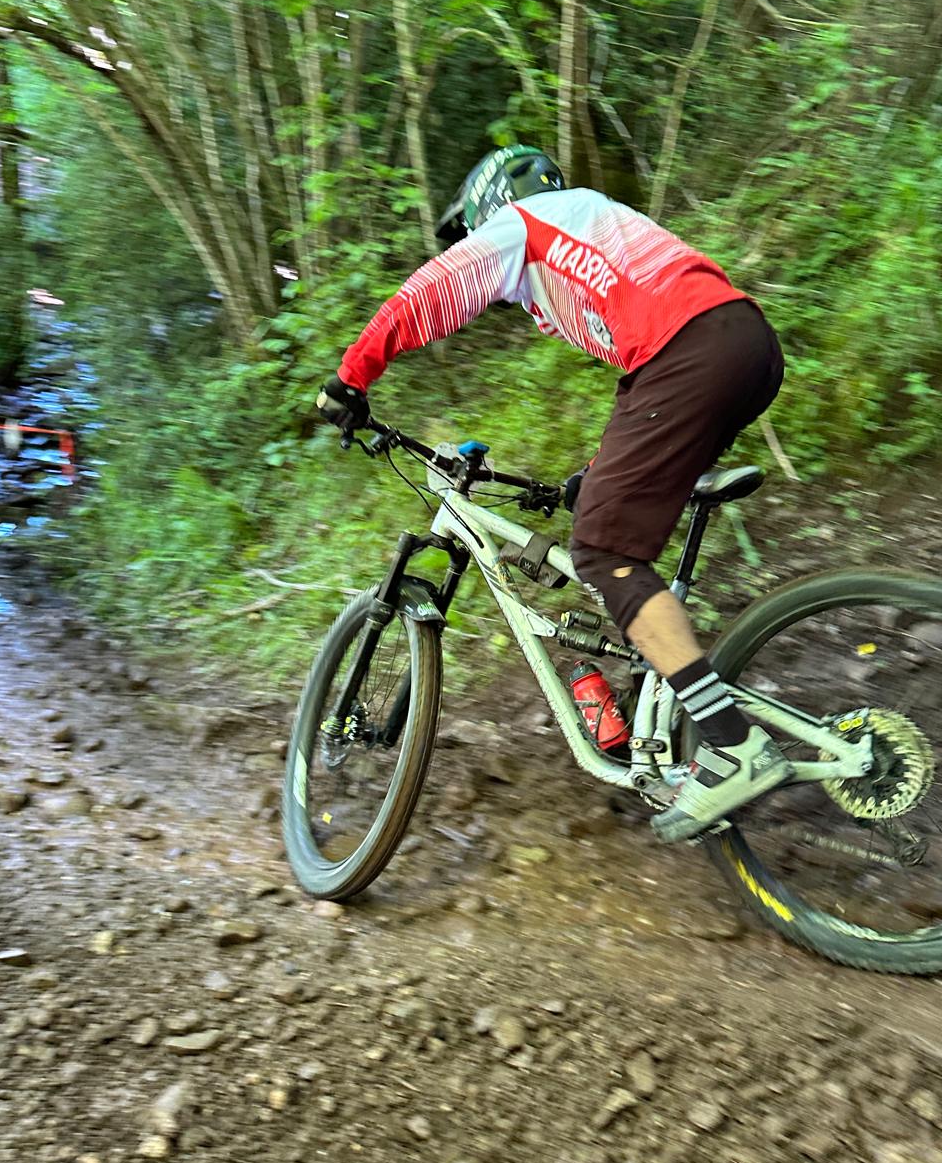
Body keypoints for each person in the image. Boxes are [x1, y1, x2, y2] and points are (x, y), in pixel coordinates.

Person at [316, 146, 788, 843]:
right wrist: (597, 472)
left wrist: (351, 380)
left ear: (489, 205)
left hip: (693, 350)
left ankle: (734, 745)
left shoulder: (520, 225)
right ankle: (667, 724)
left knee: (600, 551)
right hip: (742, 344)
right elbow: (644, 373)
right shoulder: (591, 225)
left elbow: (427, 295)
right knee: (611, 532)